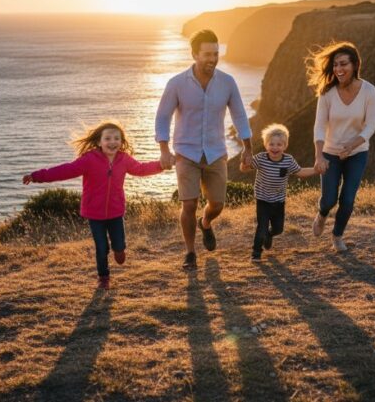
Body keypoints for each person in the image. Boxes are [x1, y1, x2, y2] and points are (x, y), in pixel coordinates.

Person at [155, 29, 253, 269]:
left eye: (216, 53)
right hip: (185, 152)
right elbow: (162, 117)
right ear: (194, 54)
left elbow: (239, 115)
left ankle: (206, 223)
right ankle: (190, 253)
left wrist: (247, 148)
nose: (213, 58)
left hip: (216, 151)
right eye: (207, 54)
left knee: (217, 204)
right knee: (188, 204)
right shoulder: (177, 83)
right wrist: (164, 150)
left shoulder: (227, 82)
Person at [23, 120, 162, 289]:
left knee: (118, 245)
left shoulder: (124, 160)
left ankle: (119, 251)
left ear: (121, 142)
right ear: (99, 142)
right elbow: (65, 170)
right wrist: (37, 176)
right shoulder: (89, 159)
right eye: (108, 138)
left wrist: (161, 165)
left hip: (116, 212)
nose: (112, 142)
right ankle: (104, 277)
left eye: (116, 138)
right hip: (94, 213)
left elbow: (141, 169)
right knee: (101, 247)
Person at [308, 41, 375, 252]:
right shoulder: (327, 93)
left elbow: (370, 126)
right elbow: (319, 127)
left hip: (357, 152)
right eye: (336, 65)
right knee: (329, 200)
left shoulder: (369, 91)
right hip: (330, 152)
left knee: (347, 199)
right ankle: (322, 214)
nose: (338, 69)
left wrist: (351, 145)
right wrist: (319, 156)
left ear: (355, 65)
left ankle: (337, 236)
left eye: (343, 64)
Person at [240, 124, 319, 261]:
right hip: (263, 200)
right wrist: (245, 163)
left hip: (279, 201)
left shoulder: (288, 160)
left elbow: (300, 172)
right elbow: (244, 169)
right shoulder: (261, 158)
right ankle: (256, 254)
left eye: (279, 144)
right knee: (262, 226)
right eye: (271, 144)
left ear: (285, 146)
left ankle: (270, 235)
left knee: (278, 229)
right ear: (266, 145)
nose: (275, 147)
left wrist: (316, 170)